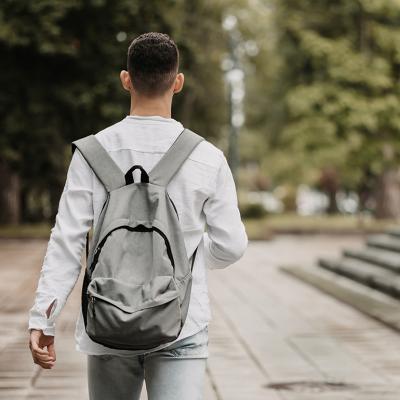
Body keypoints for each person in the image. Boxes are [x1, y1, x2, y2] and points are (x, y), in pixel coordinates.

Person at [28, 32, 248, 400]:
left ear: (126, 79)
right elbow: (232, 245)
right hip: (181, 322)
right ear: (178, 82)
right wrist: (186, 258)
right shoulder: (207, 157)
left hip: (108, 322)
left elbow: (66, 241)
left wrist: (43, 317)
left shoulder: (91, 153)